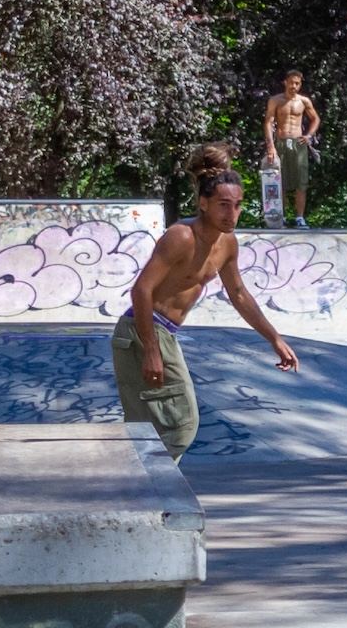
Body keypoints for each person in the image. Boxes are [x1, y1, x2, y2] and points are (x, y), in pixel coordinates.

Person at [112, 143, 299, 460]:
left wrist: (275, 339)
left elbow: (239, 295)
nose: (232, 214)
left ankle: (141, 494)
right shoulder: (181, 236)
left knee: (148, 430)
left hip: (160, 333)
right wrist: (152, 351)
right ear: (203, 203)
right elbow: (141, 290)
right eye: (224, 205)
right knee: (182, 424)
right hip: (142, 331)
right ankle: (148, 490)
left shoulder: (228, 244)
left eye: (238, 205)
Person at [263, 70, 320, 228]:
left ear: (300, 84)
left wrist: (309, 135)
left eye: (297, 83)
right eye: (291, 82)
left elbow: (315, 118)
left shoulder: (304, 101)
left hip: (298, 143)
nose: (294, 86)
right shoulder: (276, 100)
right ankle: (280, 216)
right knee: (279, 179)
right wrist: (270, 145)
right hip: (281, 142)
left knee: (301, 181)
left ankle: (299, 217)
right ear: (285, 82)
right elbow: (268, 122)